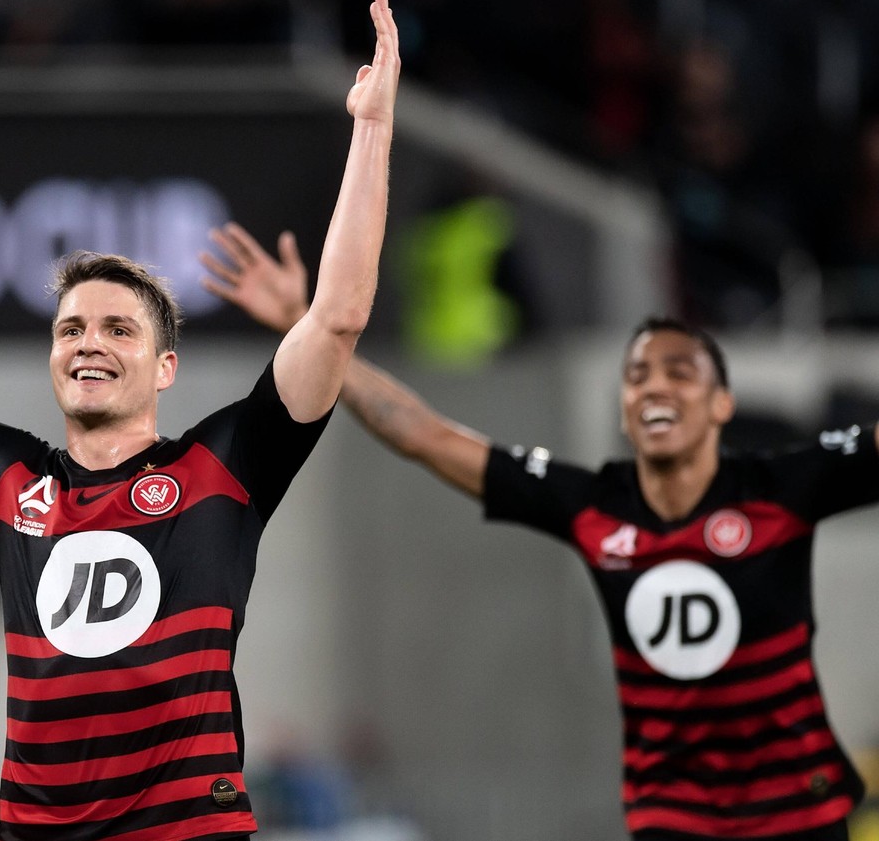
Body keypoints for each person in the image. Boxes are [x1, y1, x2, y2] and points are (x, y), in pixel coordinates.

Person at [0, 0, 398, 841]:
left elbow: (337, 318)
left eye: (117, 328)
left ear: (166, 366)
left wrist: (372, 131)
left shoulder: (225, 466)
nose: (88, 343)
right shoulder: (9, 480)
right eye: (71, 328)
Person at [203, 225, 879, 841]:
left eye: (681, 373)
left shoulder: (782, 487)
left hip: (798, 807)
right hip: (672, 814)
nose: (655, 388)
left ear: (722, 404)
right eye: (638, 374)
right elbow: (421, 433)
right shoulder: (594, 504)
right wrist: (309, 327)